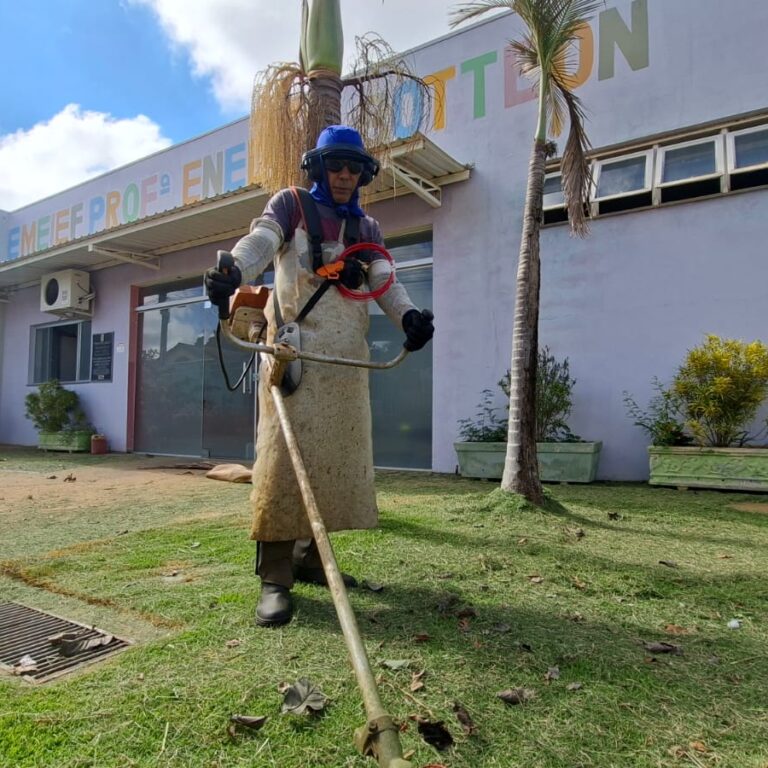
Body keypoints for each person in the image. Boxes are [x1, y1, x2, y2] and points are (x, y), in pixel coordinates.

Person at [204, 125, 434, 627]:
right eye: (337, 165)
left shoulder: (367, 229)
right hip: (295, 354)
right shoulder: (291, 206)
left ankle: (311, 560)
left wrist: (410, 317)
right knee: (284, 465)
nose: (346, 175)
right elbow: (261, 243)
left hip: (346, 364)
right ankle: (275, 577)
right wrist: (234, 272)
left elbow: (383, 280)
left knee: (334, 464)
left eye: (355, 167)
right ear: (318, 168)